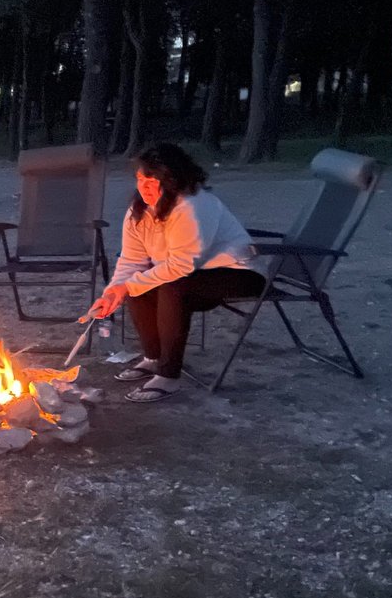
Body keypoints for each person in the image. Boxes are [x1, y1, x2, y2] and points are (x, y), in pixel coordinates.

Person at [86, 143, 266, 403]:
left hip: (238, 273)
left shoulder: (192, 206)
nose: (144, 188)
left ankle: (169, 376)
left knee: (171, 287)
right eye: (140, 180)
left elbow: (182, 265)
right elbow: (131, 260)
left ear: (172, 180)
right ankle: (153, 358)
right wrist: (114, 291)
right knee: (139, 284)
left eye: (152, 181)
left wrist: (128, 286)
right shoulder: (138, 212)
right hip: (193, 274)